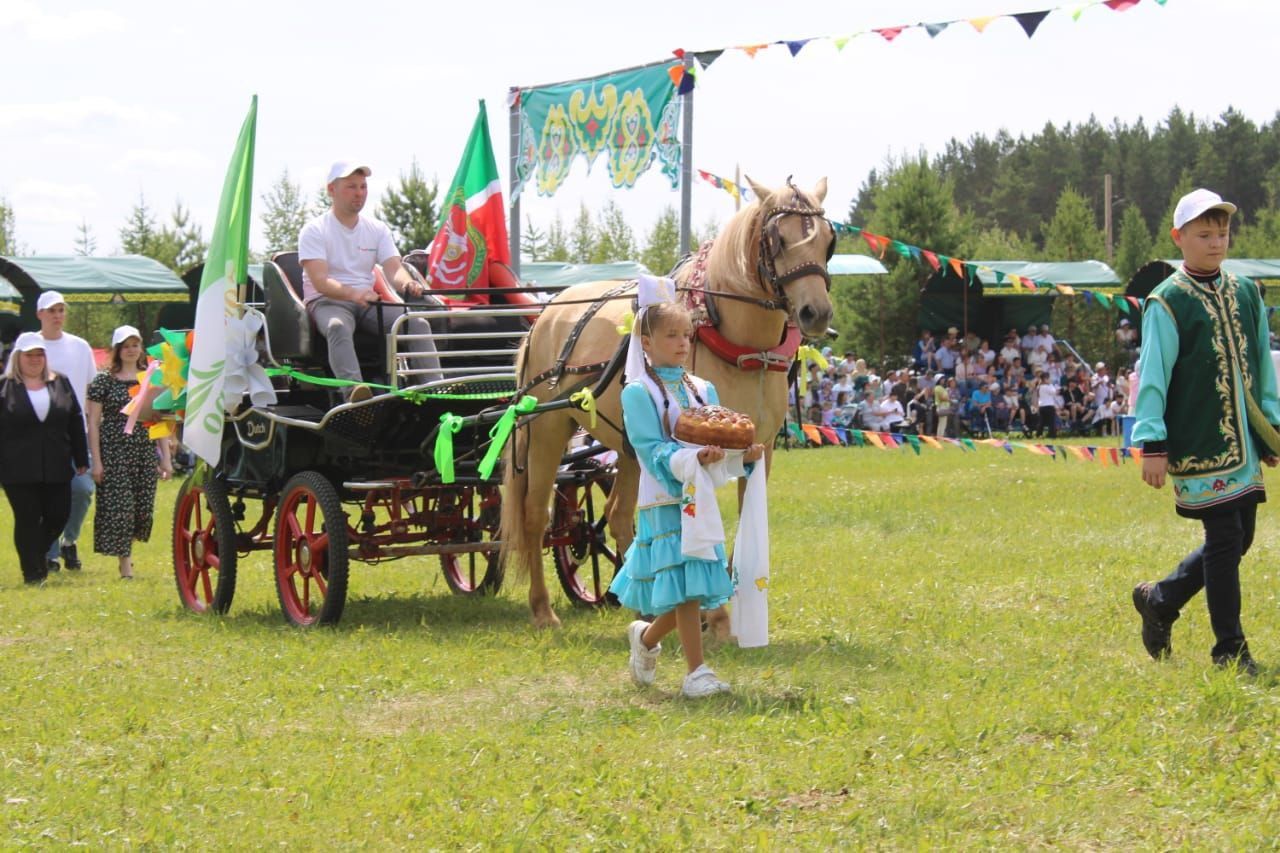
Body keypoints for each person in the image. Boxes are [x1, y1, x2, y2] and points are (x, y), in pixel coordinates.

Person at [1130, 188, 1280, 675]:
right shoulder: (1167, 301)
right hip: (1198, 441)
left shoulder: (1246, 292)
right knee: (1225, 537)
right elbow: (1154, 374)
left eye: (1222, 233)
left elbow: (1262, 363)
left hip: (1245, 442)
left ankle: (1161, 599)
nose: (1216, 243)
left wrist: (1270, 425)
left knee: (1240, 538)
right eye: (1204, 235)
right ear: (1179, 237)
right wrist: (1152, 441)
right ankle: (1229, 650)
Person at [609, 281, 766, 698]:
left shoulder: (702, 389)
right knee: (685, 585)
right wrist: (693, 460)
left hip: (699, 499)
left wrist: (741, 457)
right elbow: (650, 449)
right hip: (664, 498)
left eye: (686, 335)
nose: (682, 343)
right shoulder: (638, 393)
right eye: (671, 336)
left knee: (690, 586)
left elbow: (717, 442)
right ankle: (697, 672)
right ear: (646, 342)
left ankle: (645, 639)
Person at [299, 161, 443, 402]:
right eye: (351, 187)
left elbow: (394, 269)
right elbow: (321, 282)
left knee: (416, 323)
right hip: (327, 301)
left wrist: (408, 284)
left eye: (363, 187)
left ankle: (436, 390)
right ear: (331, 190)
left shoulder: (377, 229)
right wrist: (355, 294)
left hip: (367, 303)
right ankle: (355, 394)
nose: (359, 193)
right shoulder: (314, 230)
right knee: (337, 326)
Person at [0, 333, 89, 585]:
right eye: (29, 355)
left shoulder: (61, 382)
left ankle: (35, 554)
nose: (35, 359)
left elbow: (75, 419)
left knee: (58, 515)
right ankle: (32, 573)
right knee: (27, 518)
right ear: (18, 357)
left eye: (39, 354)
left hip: (56, 463)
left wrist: (81, 456)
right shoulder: (4, 387)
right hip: (16, 468)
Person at [87, 326, 173, 580]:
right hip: (114, 451)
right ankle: (125, 564)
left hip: (144, 450)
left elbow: (159, 419)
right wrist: (97, 462)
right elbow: (93, 423)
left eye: (135, 345)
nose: (131, 350)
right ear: (117, 350)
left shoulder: (151, 378)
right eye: (125, 346)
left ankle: (126, 549)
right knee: (121, 508)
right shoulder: (103, 381)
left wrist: (166, 458)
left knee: (142, 509)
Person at [34, 291, 97, 573]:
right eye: (51, 311)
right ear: (40, 314)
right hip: (40, 436)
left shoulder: (80, 347)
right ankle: (50, 554)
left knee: (82, 490)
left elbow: (92, 391)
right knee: (48, 496)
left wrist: (94, 426)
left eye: (61, 310)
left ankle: (69, 540)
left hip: (76, 433)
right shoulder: (30, 347)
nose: (57, 315)